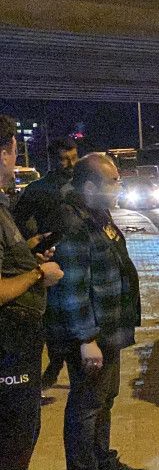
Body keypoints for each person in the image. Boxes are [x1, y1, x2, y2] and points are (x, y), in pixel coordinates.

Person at [44, 153, 145, 470]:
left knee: (105, 398)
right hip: (91, 333)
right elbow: (73, 287)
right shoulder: (74, 223)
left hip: (108, 329)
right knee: (86, 404)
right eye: (113, 181)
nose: (119, 187)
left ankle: (102, 461)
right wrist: (86, 339)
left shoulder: (98, 216)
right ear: (90, 187)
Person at [0, 115, 64, 470]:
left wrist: (31, 252)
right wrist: (39, 273)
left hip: (18, 342)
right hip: (6, 346)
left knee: (22, 433)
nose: (14, 159)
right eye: (12, 150)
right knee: (11, 439)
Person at [13, 137, 78, 390]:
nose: (70, 164)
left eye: (74, 158)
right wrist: (36, 241)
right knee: (52, 319)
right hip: (50, 261)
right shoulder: (38, 189)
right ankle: (55, 363)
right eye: (64, 159)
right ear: (52, 160)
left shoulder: (82, 185)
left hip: (78, 260)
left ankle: (70, 364)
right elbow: (18, 222)